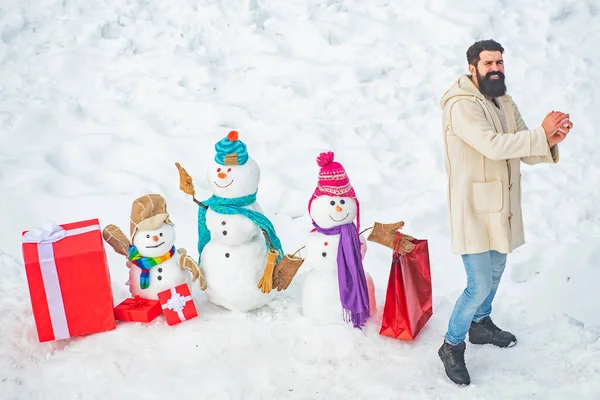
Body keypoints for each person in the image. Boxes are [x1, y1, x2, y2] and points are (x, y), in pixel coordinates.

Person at [438, 39, 573, 386]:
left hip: (501, 205)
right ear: (472, 68)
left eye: (500, 62)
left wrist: (550, 139)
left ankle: (480, 324)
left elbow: (525, 146)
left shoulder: (503, 101)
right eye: (488, 63)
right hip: (473, 206)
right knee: (478, 282)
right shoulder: (460, 105)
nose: (496, 68)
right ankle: (452, 344)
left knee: (496, 272)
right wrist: (538, 135)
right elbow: (493, 146)